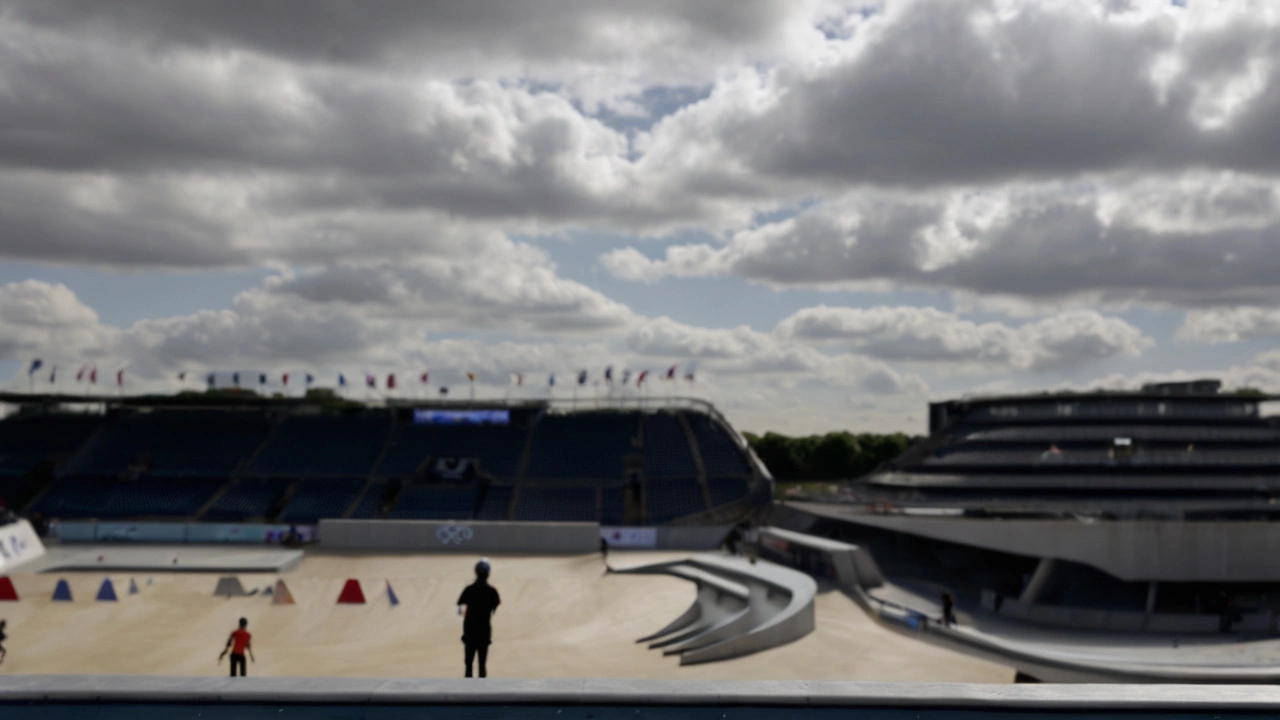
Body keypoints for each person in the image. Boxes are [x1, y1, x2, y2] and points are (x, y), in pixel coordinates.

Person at [457, 559, 501, 678]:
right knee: (482, 664)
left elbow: (460, 608)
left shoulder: (469, 589)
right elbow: (494, 608)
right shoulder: (492, 592)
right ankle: (483, 691)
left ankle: (467, 692)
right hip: (484, 631)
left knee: (468, 664)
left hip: (470, 631)